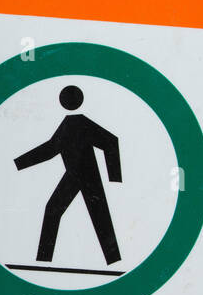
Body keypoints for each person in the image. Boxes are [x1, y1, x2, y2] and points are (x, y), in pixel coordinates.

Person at [14, 85, 122, 265]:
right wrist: (20, 163)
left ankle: (114, 261)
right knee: (54, 210)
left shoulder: (80, 123)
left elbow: (111, 142)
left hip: (88, 176)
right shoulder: (69, 123)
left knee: (99, 217)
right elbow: (50, 149)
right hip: (74, 175)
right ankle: (43, 260)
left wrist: (114, 177)